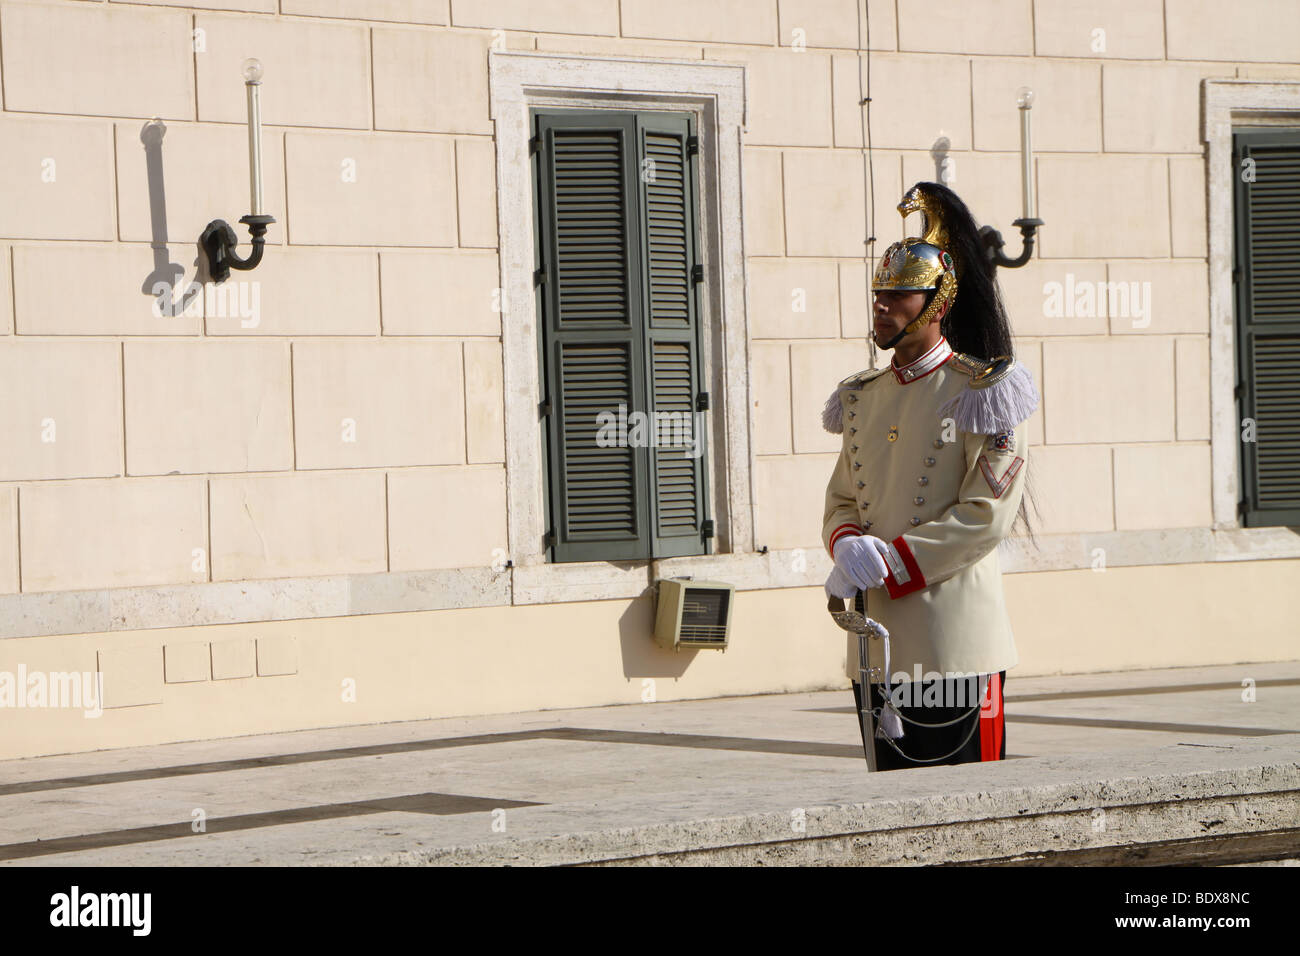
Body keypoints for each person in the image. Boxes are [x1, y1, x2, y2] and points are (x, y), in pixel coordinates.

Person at [821, 181, 1039, 772]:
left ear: (937, 302)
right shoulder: (862, 395)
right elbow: (843, 497)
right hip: (876, 639)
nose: (882, 306)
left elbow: (985, 516)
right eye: (879, 294)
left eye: (899, 295)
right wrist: (847, 544)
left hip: (953, 640)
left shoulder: (983, 390)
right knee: (890, 807)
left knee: (967, 809)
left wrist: (890, 560)